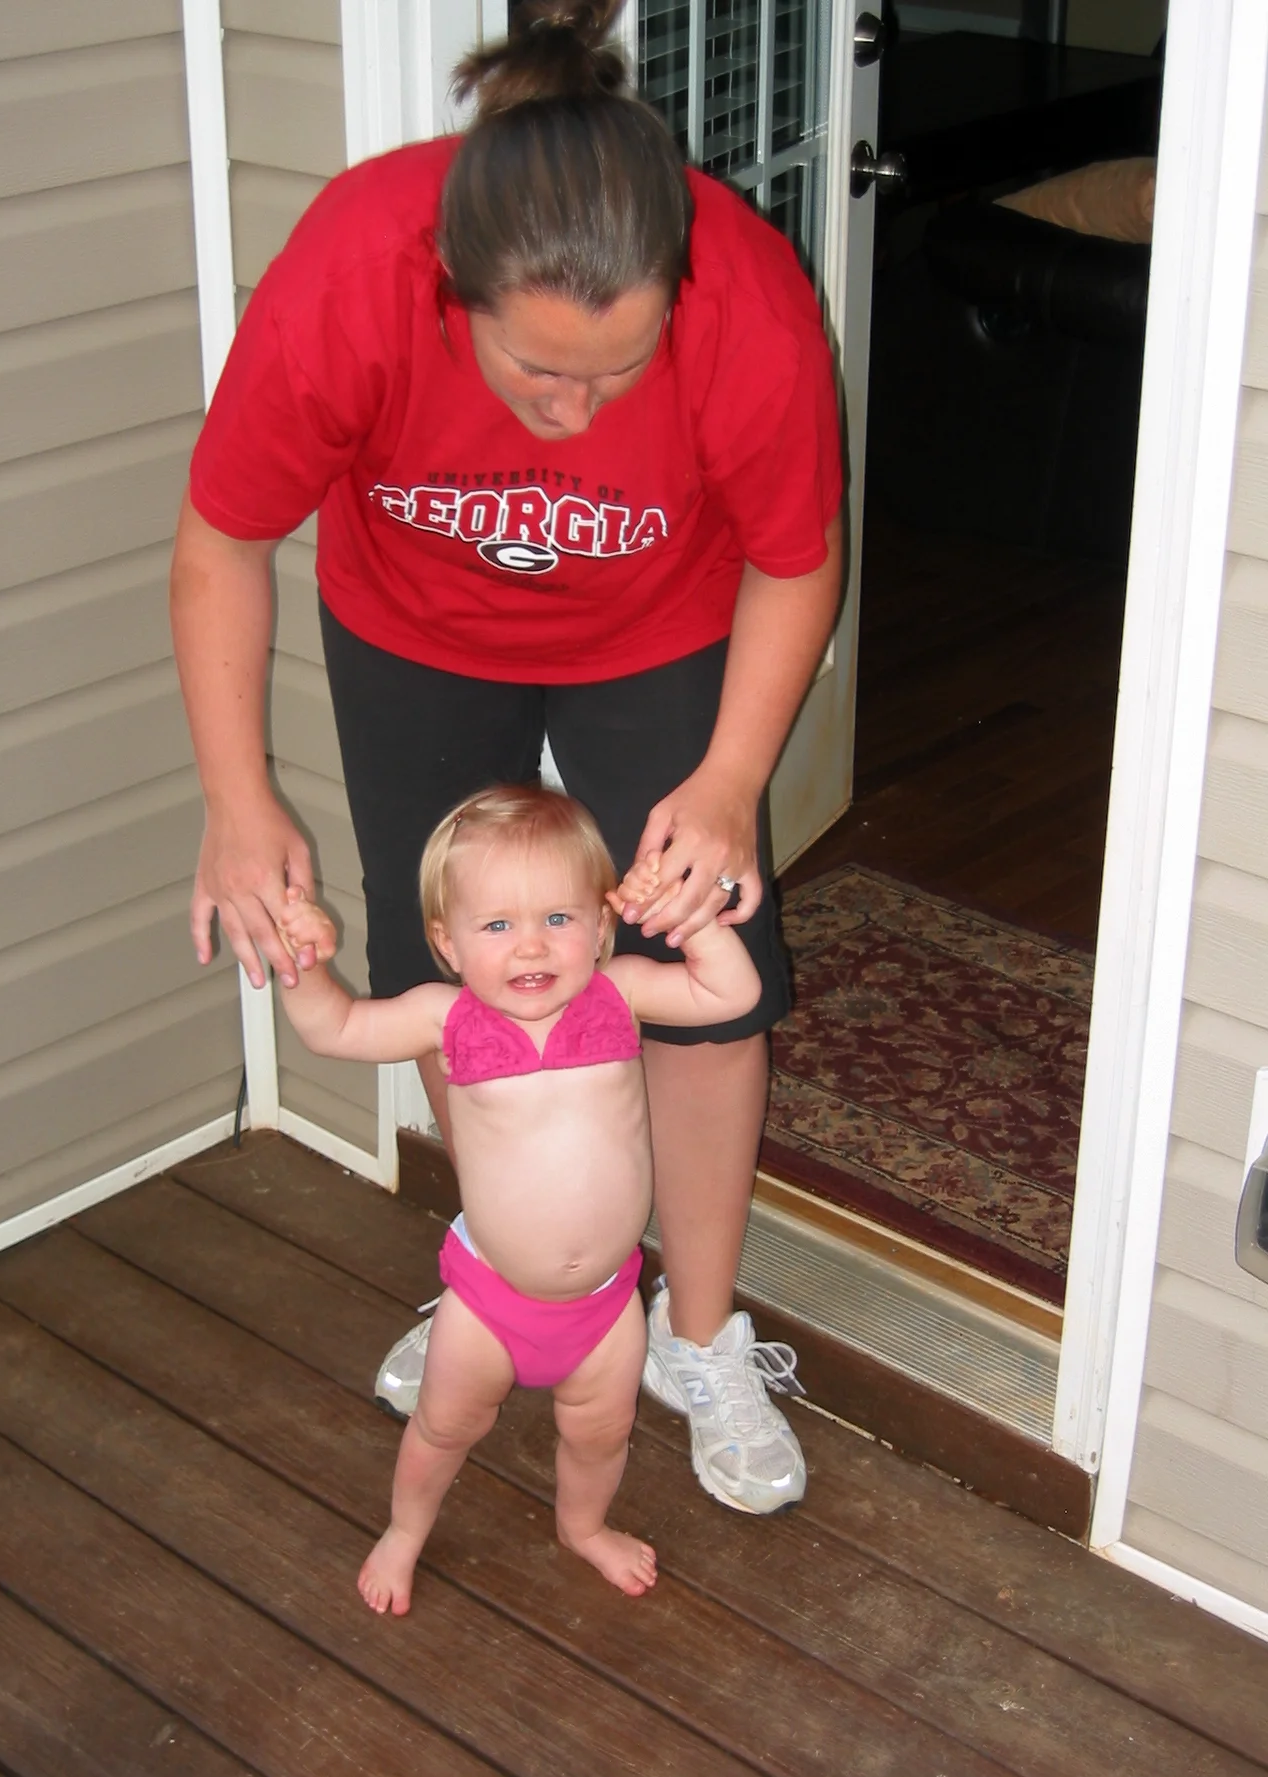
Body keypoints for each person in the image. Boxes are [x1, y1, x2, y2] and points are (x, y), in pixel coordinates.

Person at [169, 0, 843, 1515]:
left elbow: (795, 561)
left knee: (697, 960)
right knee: (472, 957)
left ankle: (699, 1337)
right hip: (415, 628)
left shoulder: (747, 297)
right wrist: (236, 796)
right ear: (452, 286)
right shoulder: (359, 266)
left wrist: (729, 784)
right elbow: (223, 538)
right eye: (538, 373)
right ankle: (510, 1276)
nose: (574, 415)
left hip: (664, 626)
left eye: (618, 371)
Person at [275, 786, 762, 1612]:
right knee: (443, 1429)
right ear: (448, 942)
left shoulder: (621, 994)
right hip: (489, 1305)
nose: (530, 945)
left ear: (601, 926)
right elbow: (337, 1030)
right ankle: (405, 1532)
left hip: (606, 1306)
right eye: (497, 925)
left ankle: (583, 1528)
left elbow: (731, 996)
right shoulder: (445, 1019)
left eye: (558, 919)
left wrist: (692, 923)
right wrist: (304, 964)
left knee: (600, 1437)